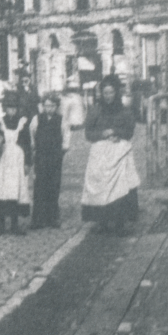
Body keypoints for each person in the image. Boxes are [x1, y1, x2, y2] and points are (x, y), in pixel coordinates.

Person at [80, 75, 139, 235]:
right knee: (100, 185)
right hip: (100, 154)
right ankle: (102, 221)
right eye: (105, 93)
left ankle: (120, 222)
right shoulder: (95, 111)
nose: (108, 96)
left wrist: (116, 132)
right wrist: (102, 133)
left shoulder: (125, 111)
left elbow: (129, 132)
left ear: (116, 93)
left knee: (120, 187)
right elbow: (88, 134)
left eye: (111, 92)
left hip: (119, 152)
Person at [0, 90, 32, 235]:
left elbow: (27, 143)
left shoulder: (22, 122)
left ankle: (15, 224)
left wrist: (27, 162)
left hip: (16, 159)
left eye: (14, 108)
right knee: (1, 188)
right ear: (5, 108)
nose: (12, 110)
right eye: (9, 107)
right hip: (1, 159)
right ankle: (1, 223)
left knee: (15, 188)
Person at [30, 93, 70, 229]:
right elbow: (32, 134)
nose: (49, 109)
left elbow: (66, 136)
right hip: (41, 156)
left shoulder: (61, 120)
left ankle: (52, 217)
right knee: (39, 186)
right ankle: (38, 219)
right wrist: (34, 148)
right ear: (42, 106)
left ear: (56, 106)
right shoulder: (37, 119)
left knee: (53, 186)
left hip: (55, 157)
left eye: (52, 106)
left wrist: (63, 150)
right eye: (46, 106)